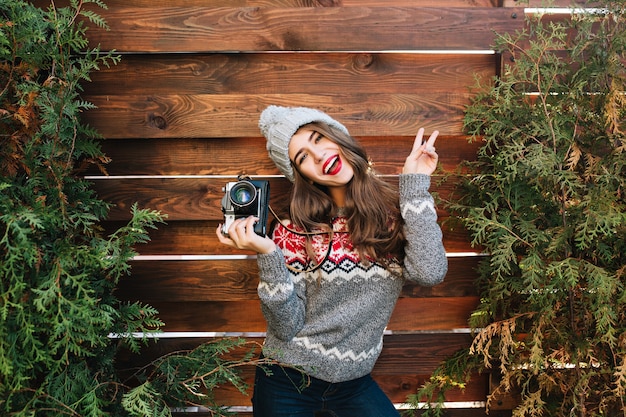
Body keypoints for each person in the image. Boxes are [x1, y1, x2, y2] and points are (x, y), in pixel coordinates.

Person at [216, 106, 448, 417]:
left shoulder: (395, 215)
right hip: (286, 380)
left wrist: (415, 185)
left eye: (318, 138)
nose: (317, 155)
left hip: (354, 382)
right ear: (302, 176)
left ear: (338, 137)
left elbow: (430, 272)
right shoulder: (293, 230)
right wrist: (268, 254)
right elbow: (285, 327)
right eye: (302, 158)